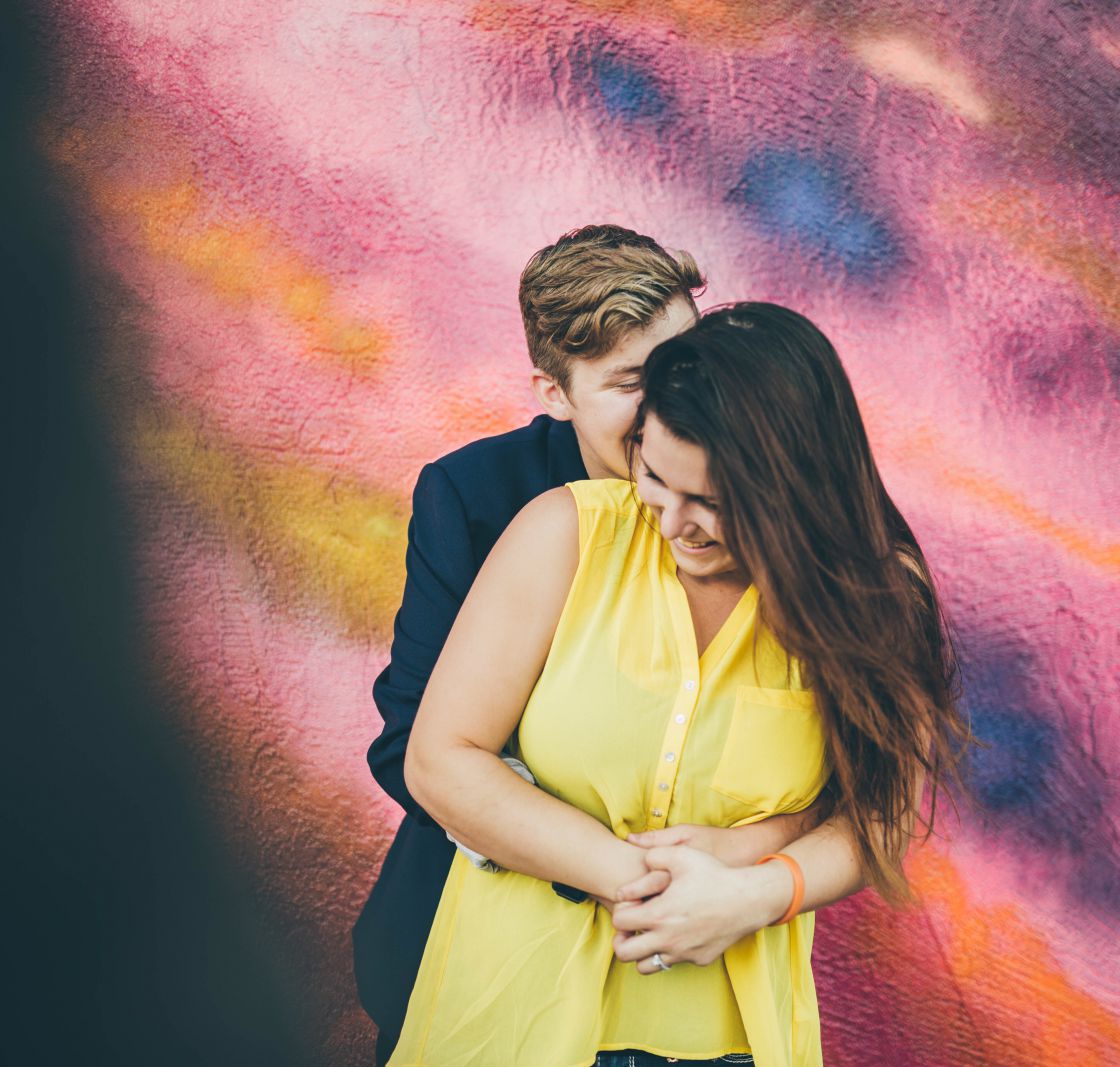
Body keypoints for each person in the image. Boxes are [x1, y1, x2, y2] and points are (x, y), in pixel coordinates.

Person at [392, 303, 968, 1066]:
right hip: (510, 1021)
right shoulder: (561, 533)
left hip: (732, 1041)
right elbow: (440, 758)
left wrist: (756, 895)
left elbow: (881, 812)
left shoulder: (877, 594)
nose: (670, 521)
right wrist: (651, 885)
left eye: (713, 504)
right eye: (654, 475)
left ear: (796, 493)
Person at [353, 229, 814, 1063]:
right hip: (475, 952)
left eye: (683, 360)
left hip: (698, 988)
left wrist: (741, 865)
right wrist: (623, 869)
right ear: (555, 393)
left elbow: (866, 785)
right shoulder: (484, 496)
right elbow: (413, 741)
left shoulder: (778, 510)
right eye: (632, 383)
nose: (669, 400)